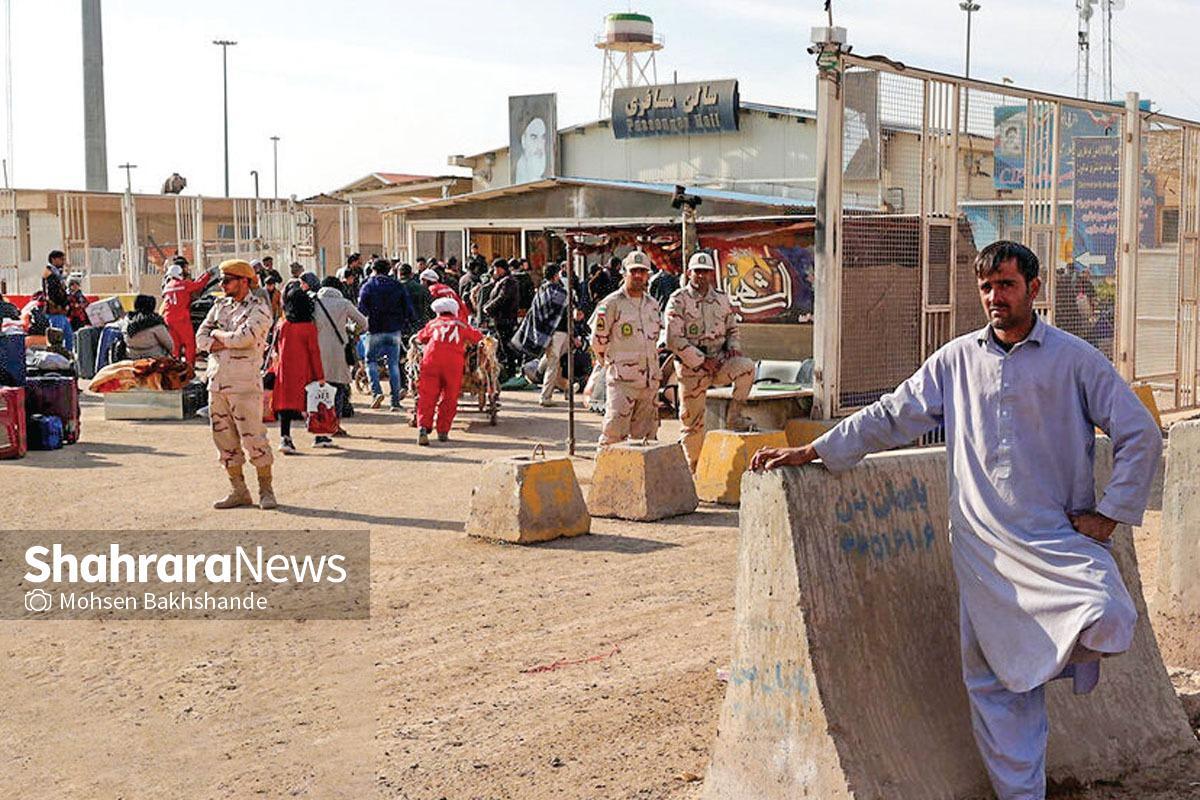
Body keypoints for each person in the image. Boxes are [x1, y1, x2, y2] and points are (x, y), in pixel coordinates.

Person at [749, 241, 1162, 800]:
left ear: (1034, 290)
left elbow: (1140, 433)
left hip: (1055, 542)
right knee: (995, 686)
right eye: (987, 287)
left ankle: (1049, 657)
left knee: (1109, 614)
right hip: (984, 553)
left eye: (1007, 285)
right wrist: (816, 450)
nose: (995, 297)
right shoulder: (955, 360)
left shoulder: (1074, 359)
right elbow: (893, 413)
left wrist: (1110, 515)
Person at [195, 259, 277, 510]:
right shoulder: (220, 306)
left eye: (227, 280)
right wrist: (223, 339)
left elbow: (245, 338)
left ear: (244, 281)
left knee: (254, 438)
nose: (222, 285)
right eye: (221, 280)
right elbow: (200, 338)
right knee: (224, 441)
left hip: (244, 385)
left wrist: (219, 336)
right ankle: (238, 490)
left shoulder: (259, 309)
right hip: (217, 383)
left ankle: (266, 490)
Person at [665, 252, 756, 471]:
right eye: (697, 271)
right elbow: (673, 339)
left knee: (746, 368)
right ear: (689, 273)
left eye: (705, 272)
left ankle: (734, 416)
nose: (701, 276)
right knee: (692, 423)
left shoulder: (721, 299)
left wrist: (733, 348)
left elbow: (732, 328)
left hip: (720, 361)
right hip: (692, 368)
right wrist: (702, 361)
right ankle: (693, 469)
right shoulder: (678, 300)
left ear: (711, 274)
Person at [593, 250, 663, 445]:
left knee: (646, 441)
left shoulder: (653, 305)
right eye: (634, 271)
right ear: (625, 273)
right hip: (622, 383)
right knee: (613, 435)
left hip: (649, 383)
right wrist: (611, 365)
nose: (639, 275)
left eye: (643, 271)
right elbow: (598, 342)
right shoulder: (611, 304)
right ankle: (606, 475)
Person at [414, 296, 482, 446]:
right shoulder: (461, 324)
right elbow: (478, 338)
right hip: (453, 364)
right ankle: (443, 431)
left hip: (430, 361)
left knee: (427, 396)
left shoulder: (433, 324)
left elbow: (420, 337)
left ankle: (423, 428)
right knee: (450, 396)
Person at [269, 284, 326, 455]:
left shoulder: (282, 325)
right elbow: (314, 353)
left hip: (285, 371)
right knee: (311, 402)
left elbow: (277, 348)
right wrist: (320, 375)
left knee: (286, 405)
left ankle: (285, 437)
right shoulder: (309, 327)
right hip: (305, 370)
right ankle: (319, 435)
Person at [313, 275, 368, 442]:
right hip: (338, 351)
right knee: (337, 389)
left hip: (316, 352)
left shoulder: (314, 303)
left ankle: (319, 427)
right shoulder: (344, 303)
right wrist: (351, 330)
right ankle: (335, 425)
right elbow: (363, 323)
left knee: (319, 392)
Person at [358, 259, 414, 410]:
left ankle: (376, 393)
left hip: (374, 330)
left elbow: (361, 309)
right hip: (394, 331)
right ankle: (395, 402)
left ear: (373, 269)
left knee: (370, 361)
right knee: (393, 364)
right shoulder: (398, 285)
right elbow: (408, 309)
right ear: (389, 270)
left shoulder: (367, 286)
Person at [513, 263, 570, 407]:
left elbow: (537, 313)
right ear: (556, 275)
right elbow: (563, 314)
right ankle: (545, 396)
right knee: (553, 363)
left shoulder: (541, 291)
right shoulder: (561, 293)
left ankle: (562, 385)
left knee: (552, 359)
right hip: (558, 332)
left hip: (545, 333)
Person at [162, 256, 215, 370]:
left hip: (168, 319)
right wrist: (208, 274)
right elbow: (198, 285)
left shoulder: (167, 286)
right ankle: (189, 367)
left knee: (175, 345)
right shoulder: (184, 284)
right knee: (189, 344)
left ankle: (174, 368)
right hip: (181, 318)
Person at [480, 259, 520, 376]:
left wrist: (488, 307)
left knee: (506, 346)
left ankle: (510, 371)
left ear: (502, 268)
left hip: (505, 319)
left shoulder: (508, 282)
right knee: (502, 346)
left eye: (496, 268)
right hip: (500, 319)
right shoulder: (502, 281)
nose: (495, 271)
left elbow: (502, 298)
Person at [122, 294, 175, 359]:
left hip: (131, 356)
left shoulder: (126, 321)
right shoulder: (155, 323)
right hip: (154, 358)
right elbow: (170, 345)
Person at [42, 250, 73, 351]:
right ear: (54, 259)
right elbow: (50, 293)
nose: (63, 262)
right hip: (55, 312)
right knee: (56, 339)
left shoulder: (57, 273)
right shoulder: (49, 274)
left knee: (69, 337)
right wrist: (58, 306)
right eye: (61, 259)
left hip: (62, 312)